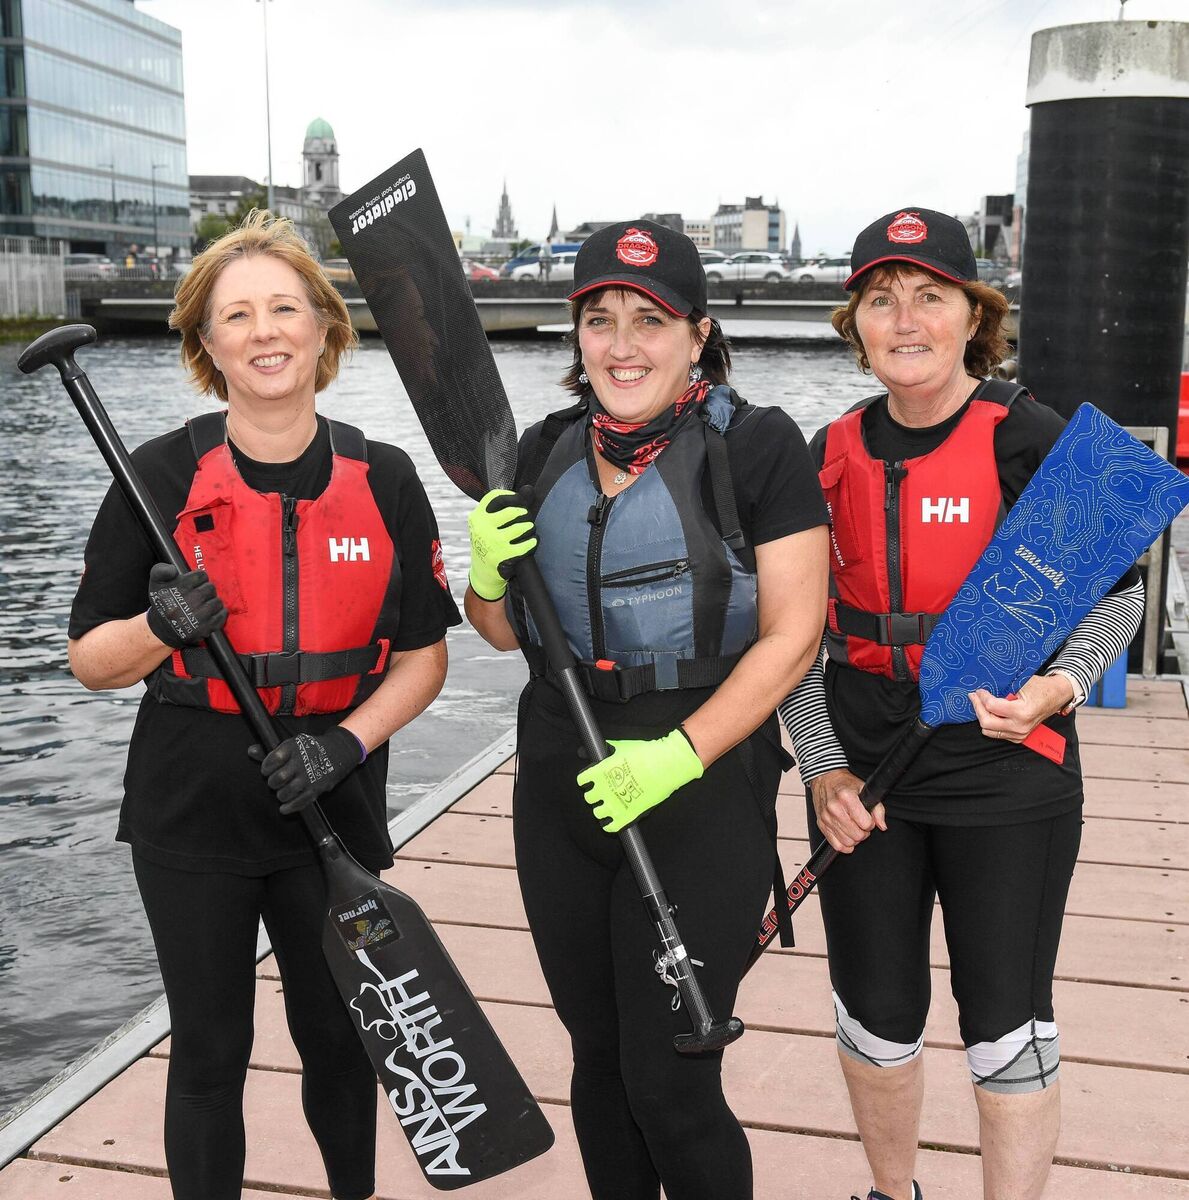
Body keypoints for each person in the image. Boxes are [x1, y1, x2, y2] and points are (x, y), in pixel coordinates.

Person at [67, 210, 461, 1200]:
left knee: (340, 1039)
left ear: (325, 326)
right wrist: (161, 626)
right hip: (191, 810)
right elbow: (90, 660)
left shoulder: (385, 477)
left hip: (333, 803)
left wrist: (346, 743)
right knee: (210, 1052)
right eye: (236, 315)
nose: (264, 332)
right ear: (206, 342)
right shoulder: (157, 475)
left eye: (285, 308)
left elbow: (423, 659)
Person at [778, 207, 1145, 1200]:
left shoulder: (1029, 436)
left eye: (929, 297)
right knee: (874, 1017)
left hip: (1005, 768)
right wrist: (822, 771)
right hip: (868, 774)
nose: (904, 320)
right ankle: (891, 1193)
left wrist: (1058, 687)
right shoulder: (822, 454)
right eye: (880, 300)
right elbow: (792, 636)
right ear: (855, 324)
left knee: (1004, 1026)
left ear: (973, 317)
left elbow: (1121, 597)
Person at [465, 219, 829, 1200]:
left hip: (699, 781)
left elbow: (793, 636)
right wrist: (485, 575)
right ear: (577, 334)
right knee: (597, 1060)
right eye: (600, 320)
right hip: (563, 774)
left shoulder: (758, 448)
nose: (621, 344)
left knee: (670, 1081)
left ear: (698, 333)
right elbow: (498, 631)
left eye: (650, 320)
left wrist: (678, 754)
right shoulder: (541, 450)